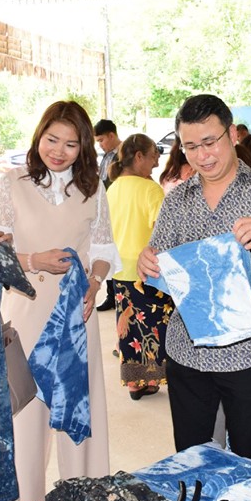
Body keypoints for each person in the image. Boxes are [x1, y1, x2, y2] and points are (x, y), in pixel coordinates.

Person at [137, 94, 251, 463]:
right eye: (191, 146)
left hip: (247, 352)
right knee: (189, 457)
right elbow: (158, 258)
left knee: (249, 456)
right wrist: (148, 261)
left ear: (233, 134)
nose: (203, 155)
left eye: (210, 142)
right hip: (187, 349)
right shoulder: (176, 200)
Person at [0, 101, 119, 501]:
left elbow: (103, 249)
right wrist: (33, 261)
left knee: (79, 406)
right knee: (27, 414)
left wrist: (95, 282)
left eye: (71, 144)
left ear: (84, 148)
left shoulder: (93, 189)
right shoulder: (13, 183)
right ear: (38, 137)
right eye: (52, 139)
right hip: (25, 311)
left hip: (76, 314)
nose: (59, 151)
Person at [106, 134, 170, 400]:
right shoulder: (150, 190)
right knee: (153, 327)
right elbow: (162, 231)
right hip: (148, 270)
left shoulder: (113, 188)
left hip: (120, 268)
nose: (157, 162)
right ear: (139, 156)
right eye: (154, 155)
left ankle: (134, 383)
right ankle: (151, 379)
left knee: (128, 328)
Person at [94, 119, 121, 311]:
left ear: (111, 135)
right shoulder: (106, 156)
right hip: (105, 207)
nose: (100, 145)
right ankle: (111, 294)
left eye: (102, 140)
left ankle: (116, 295)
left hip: (117, 206)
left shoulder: (123, 154)